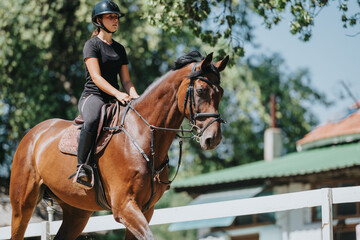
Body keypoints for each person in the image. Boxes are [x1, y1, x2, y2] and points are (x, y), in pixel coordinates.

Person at [75, 0, 139, 188]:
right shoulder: (91, 45)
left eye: (116, 17)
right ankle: (82, 167)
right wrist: (118, 94)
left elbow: (126, 80)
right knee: (93, 119)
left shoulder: (120, 48)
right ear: (99, 20)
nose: (115, 20)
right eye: (110, 16)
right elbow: (96, 77)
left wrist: (134, 96)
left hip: (115, 97)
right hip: (93, 97)